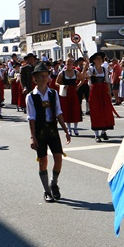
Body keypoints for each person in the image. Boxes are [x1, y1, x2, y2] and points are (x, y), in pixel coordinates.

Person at [27, 63, 72, 203]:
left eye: (46, 75)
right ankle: (47, 191)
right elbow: (31, 118)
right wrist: (32, 137)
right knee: (43, 161)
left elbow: (58, 111)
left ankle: (53, 183)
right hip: (40, 130)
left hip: (52, 129)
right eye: (42, 76)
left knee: (58, 158)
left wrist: (66, 130)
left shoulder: (53, 93)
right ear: (35, 78)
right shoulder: (31, 96)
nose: (45, 78)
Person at [87, 51, 114, 141]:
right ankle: (96, 134)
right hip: (94, 92)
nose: (99, 60)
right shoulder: (91, 69)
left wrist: (109, 93)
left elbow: (107, 81)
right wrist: (85, 69)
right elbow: (84, 76)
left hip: (103, 91)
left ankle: (103, 131)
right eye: (97, 58)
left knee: (105, 111)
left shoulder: (104, 69)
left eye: (100, 59)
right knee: (96, 111)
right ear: (94, 60)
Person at [56, 57, 83, 136]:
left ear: (73, 64)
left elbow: (82, 79)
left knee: (75, 109)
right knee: (67, 110)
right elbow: (56, 83)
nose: (69, 64)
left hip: (73, 92)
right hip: (66, 93)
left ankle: (75, 128)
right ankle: (69, 128)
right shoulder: (62, 72)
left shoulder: (76, 72)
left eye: (70, 63)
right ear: (65, 64)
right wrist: (63, 86)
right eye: (67, 63)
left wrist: (78, 86)